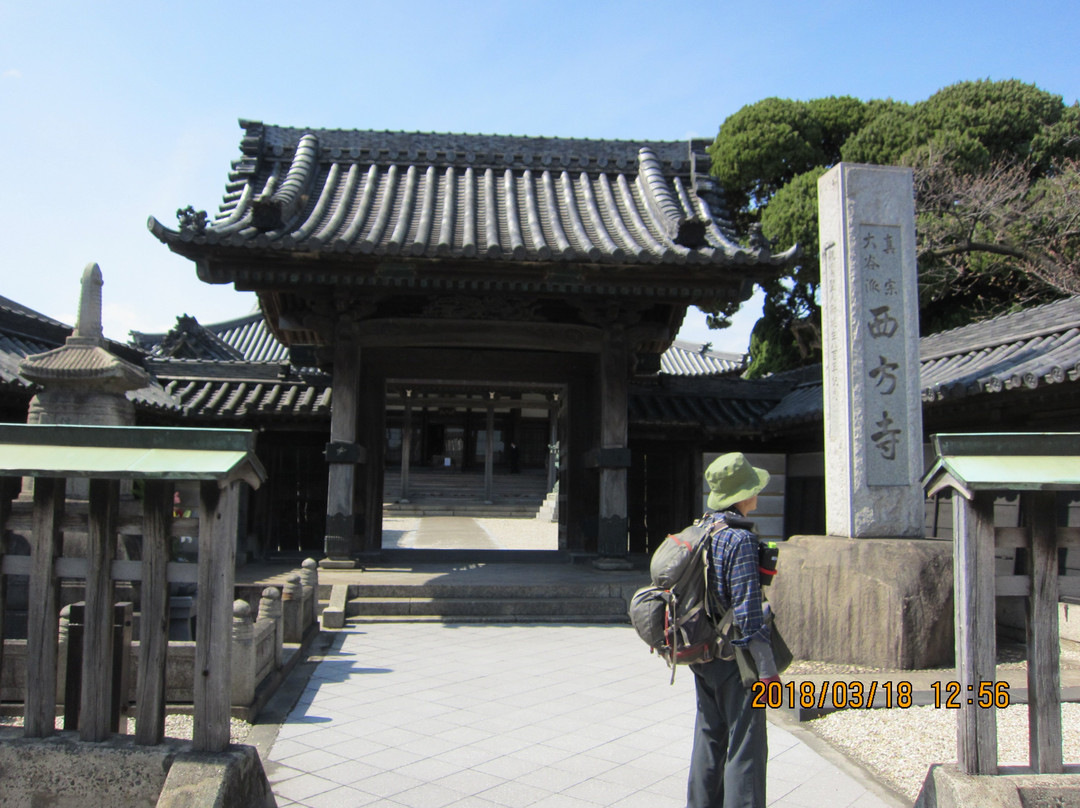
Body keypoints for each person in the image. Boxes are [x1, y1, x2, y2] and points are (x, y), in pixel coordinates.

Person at [687, 452, 779, 808]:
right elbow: (747, 613)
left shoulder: (702, 529)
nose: (757, 493)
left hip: (702, 652)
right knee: (747, 744)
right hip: (735, 660)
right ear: (742, 495)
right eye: (753, 487)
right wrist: (766, 672)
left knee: (709, 737)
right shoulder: (739, 540)